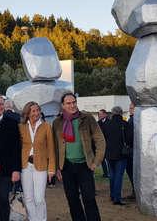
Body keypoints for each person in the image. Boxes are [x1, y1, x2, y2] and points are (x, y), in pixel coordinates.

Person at [52, 92, 105, 221]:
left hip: (85, 165)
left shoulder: (87, 118)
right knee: (72, 199)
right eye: (68, 103)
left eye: (74, 102)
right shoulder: (57, 122)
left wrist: (96, 161)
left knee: (89, 198)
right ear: (63, 105)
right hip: (67, 167)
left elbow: (100, 140)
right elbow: (55, 146)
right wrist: (57, 168)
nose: (72, 105)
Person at [19, 101, 55, 221]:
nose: (36, 113)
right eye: (33, 111)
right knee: (28, 198)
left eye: (38, 110)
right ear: (27, 113)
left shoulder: (46, 126)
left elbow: (51, 149)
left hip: (41, 166)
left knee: (39, 198)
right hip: (25, 166)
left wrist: (51, 169)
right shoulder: (21, 127)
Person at [101, 106, 132, 205]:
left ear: (112, 113)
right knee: (119, 176)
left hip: (109, 153)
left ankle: (112, 195)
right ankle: (117, 198)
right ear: (121, 113)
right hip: (121, 154)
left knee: (112, 175)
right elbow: (130, 139)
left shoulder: (107, 124)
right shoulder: (125, 124)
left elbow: (103, 139)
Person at [124, 103, 135, 199]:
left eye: (132, 108)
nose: (130, 110)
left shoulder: (133, 120)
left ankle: (135, 191)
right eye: (130, 108)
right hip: (134, 149)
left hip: (132, 150)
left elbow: (130, 136)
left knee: (131, 171)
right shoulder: (133, 119)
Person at [96, 109, 110, 178]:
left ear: (105, 114)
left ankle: (110, 173)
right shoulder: (98, 123)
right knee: (102, 159)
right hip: (101, 144)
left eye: (101, 114)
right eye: (99, 114)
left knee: (108, 159)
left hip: (108, 144)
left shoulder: (109, 122)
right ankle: (105, 173)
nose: (99, 115)